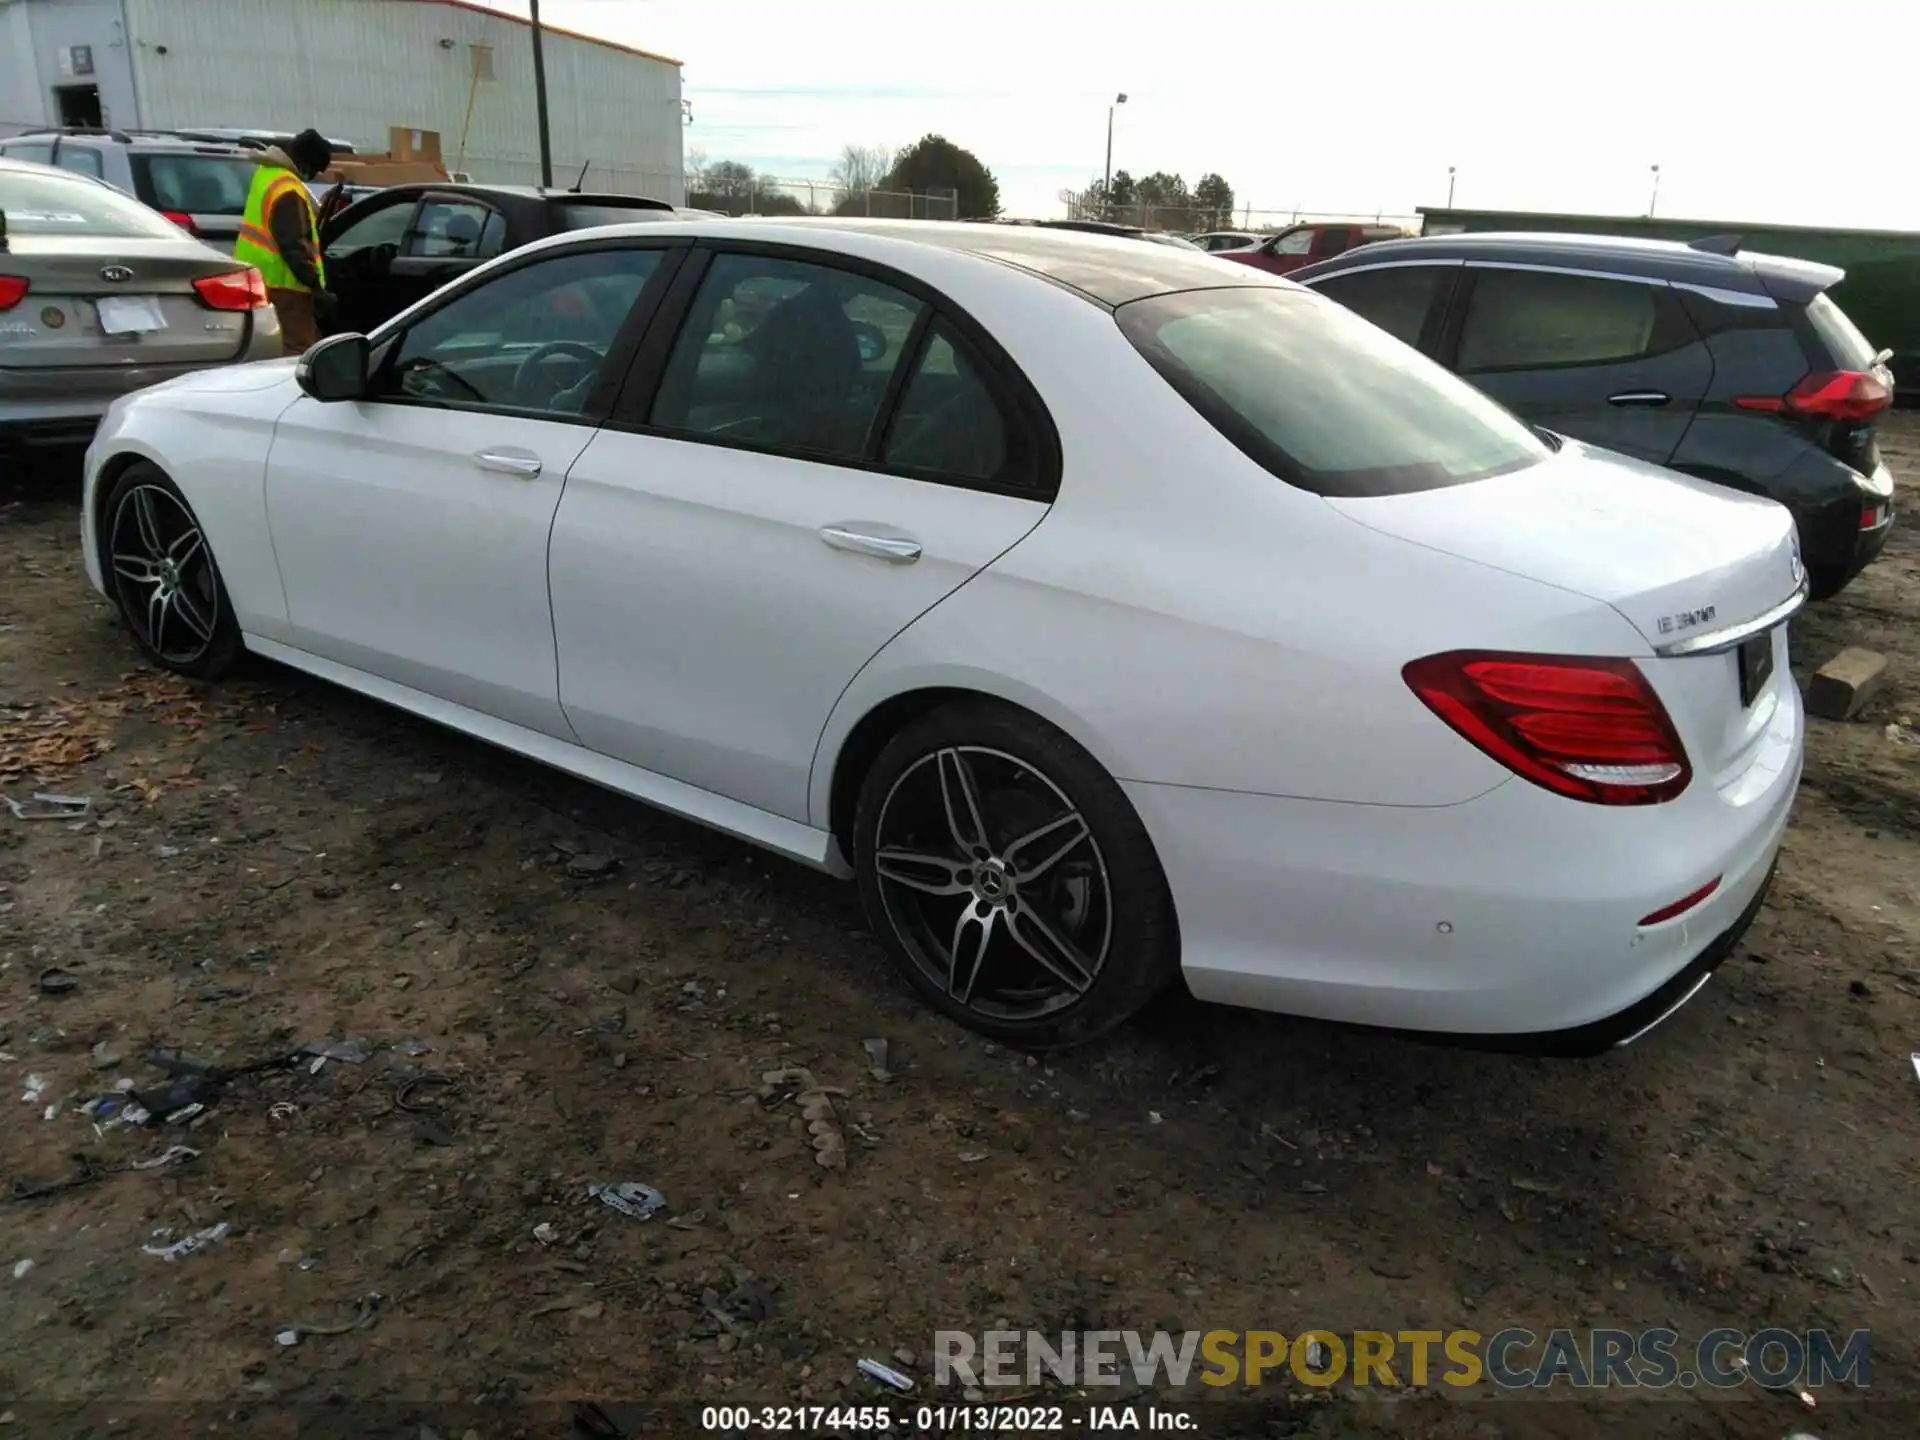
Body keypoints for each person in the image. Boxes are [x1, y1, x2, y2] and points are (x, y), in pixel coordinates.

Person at [233, 129, 336, 355]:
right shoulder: (289, 189)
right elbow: (294, 246)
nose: (314, 175)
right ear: (307, 163)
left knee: (270, 349)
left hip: (256, 279)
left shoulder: (267, 174)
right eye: (316, 169)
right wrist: (316, 287)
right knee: (296, 350)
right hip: (287, 287)